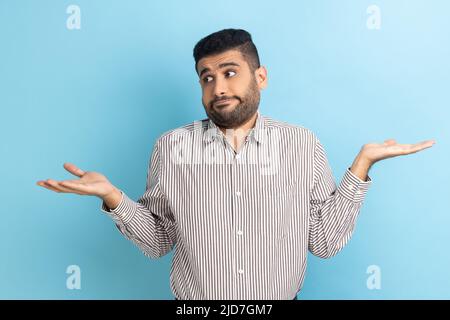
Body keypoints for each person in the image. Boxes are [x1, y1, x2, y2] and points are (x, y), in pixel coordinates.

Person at [37, 29, 435, 300]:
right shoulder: (171, 147)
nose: (219, 87)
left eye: (230, 73)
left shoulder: (302, 144)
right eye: (206, 78)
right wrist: (111, 196)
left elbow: (325, 242)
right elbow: (159, 241)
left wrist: (361, 166)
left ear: (259, 77)